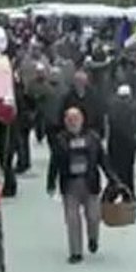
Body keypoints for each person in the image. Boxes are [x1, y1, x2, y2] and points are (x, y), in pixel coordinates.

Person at [47, 107, 115, 263]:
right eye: (69, 120)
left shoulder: (93, 138)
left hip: (89, 182)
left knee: (93, 216)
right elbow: (54, 163)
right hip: (69, 184)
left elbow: (103, 160)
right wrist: (50, 182)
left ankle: (93, 237)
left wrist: (112, 178)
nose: (73, 123)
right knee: (72, 219)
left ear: (82, 120)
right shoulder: (60, 140)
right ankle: (76, 252)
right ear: (65, 122)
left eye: (75, 119)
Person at [107, 84, 136, 197]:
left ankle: (110, 197)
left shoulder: (112, 106)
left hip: (115, 144)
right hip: (129, 144)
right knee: (128, 172)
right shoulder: (133, 107)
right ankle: (129, 197)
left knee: (114, 172)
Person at [60, 69, 105, 138]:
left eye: (81, 81)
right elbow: (63, 113)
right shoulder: (68, 96)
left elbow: (99, 113)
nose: (79, 83)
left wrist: (101, 131)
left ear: (85, 82)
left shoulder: (93, 96)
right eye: (77, 81)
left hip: (90, 129)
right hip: (73, 130)